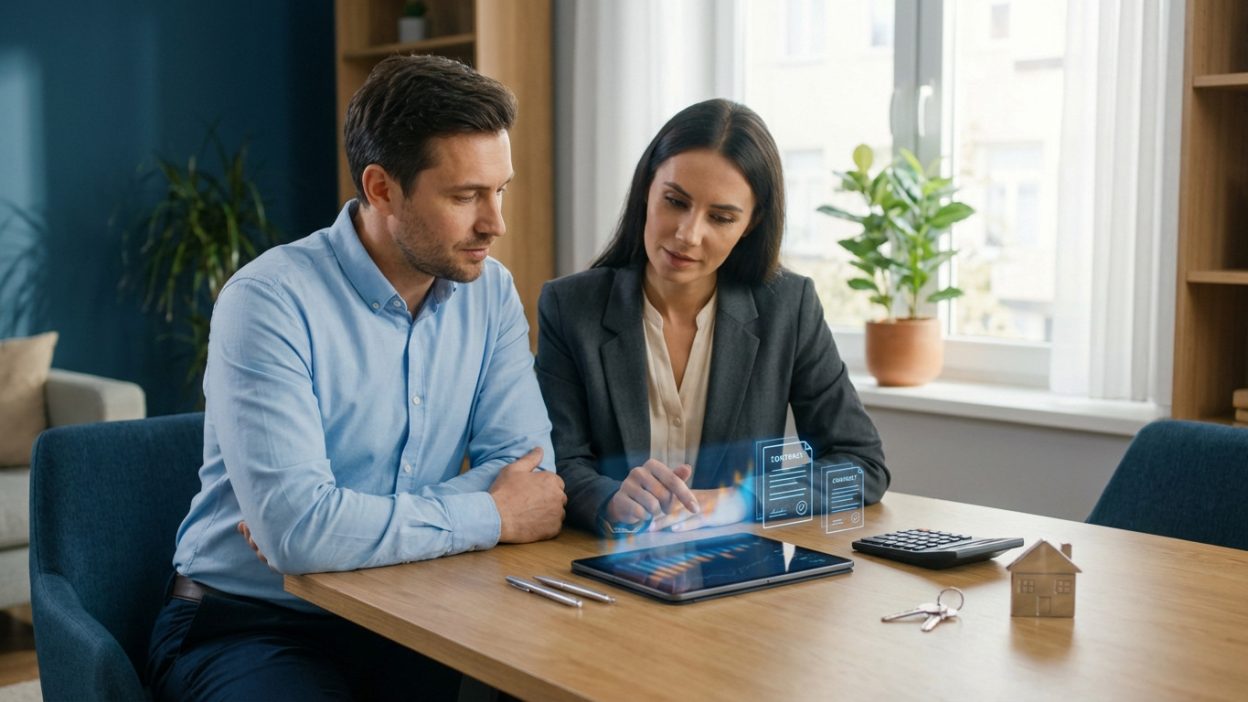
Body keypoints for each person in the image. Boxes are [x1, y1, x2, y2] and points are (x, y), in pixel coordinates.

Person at [146, 54, 566, 701]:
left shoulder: (491, 293)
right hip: (250, 624)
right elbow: (299, 534)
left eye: (500, 190)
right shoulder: (268, 302)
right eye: (465, 196)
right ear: (381, 189)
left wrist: (334, 527)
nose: (496, 223)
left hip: (416, 612)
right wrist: (490, 511)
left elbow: (530, 478)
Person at [536, 98, 888, 536]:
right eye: (674, 201)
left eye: (720, 217)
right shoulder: (570, 306)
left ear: (751, 224)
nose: (688, 234)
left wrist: (739, 500)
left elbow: (861, 466)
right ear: (647, 188)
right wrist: (609, 498)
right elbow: (559, 461)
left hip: (740, 561)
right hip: (606, 558)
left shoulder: (788, 307)